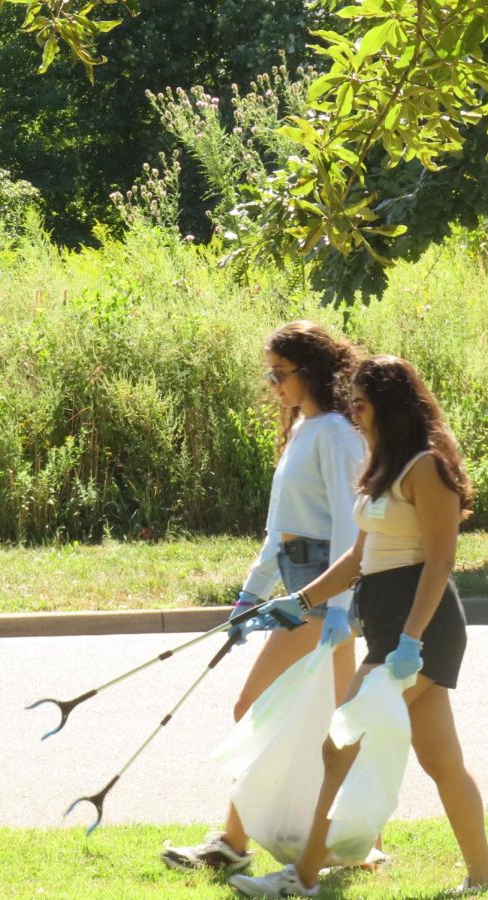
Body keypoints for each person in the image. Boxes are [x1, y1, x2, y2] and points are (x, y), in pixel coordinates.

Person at [229, 354, 488, 897]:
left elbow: (438, 563)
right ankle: (485, 879)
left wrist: (409, 640)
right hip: (384, 621)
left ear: (390, 403)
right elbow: (358, 557)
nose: (352, 408)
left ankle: (300, 878)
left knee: (339, 745)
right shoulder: (381, 466)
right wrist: (297, 600)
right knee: (442, 761)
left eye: (360, 399)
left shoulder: (427, 467)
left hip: (419, 625)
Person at [161, 321, 367, 874]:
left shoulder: (337, 436)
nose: (272, 384)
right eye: (269, 374)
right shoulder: (303, 428)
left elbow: (352, 533)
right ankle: (344, 844)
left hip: (322, 595)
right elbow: (280, 533)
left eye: (280, 374)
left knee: (253, 710)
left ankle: (234, 845)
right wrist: (245, 599)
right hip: (305, 587)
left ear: (310, 372)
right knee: (335, 730)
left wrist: (337, 612)